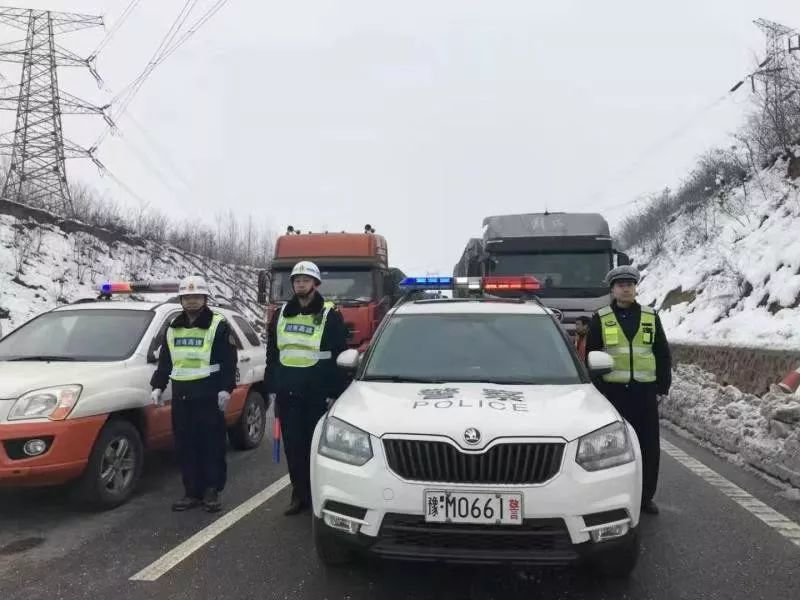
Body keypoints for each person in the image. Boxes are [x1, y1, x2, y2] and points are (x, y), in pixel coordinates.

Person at [584, 265, 671, 515]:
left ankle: (645, 498)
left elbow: (662, 354)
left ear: (635, 288)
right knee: (611, 448)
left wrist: (662, 387)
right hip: (613, 395)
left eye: (630, 284)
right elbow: (592, 355)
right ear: (612, 289)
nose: (626, 288)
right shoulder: (601, 317)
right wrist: (596, 390)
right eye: (621, 285)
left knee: (648, 447)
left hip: (644, 394)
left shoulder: (650, 316)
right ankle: (609, 497)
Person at [264, 261, 348, 516]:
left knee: (316, 448)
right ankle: (299, 495)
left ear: (315, 284)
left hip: (316, 392)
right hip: (288, 391)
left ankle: (317, 495)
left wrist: (336, 393)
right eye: (296, 280)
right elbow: (273, 353)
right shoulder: (281, 315)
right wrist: (272, 385)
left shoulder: (329, 314)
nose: (300, 283)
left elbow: (339, 355)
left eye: (305, 280)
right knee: (293, 447)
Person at [150, 275, 238, 513]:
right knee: (185, 445)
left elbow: (229, 361)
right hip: (182, 396)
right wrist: (158, 385)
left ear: (205, 298)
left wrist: (225, 389)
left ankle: (212, 490)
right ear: (181, 299)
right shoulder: (173, 327)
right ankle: (191, 492)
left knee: (211, 444)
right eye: (187, 297)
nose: (191, 301)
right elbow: (166, 361)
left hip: (209, 395)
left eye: (196, 297)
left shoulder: (218, 325)